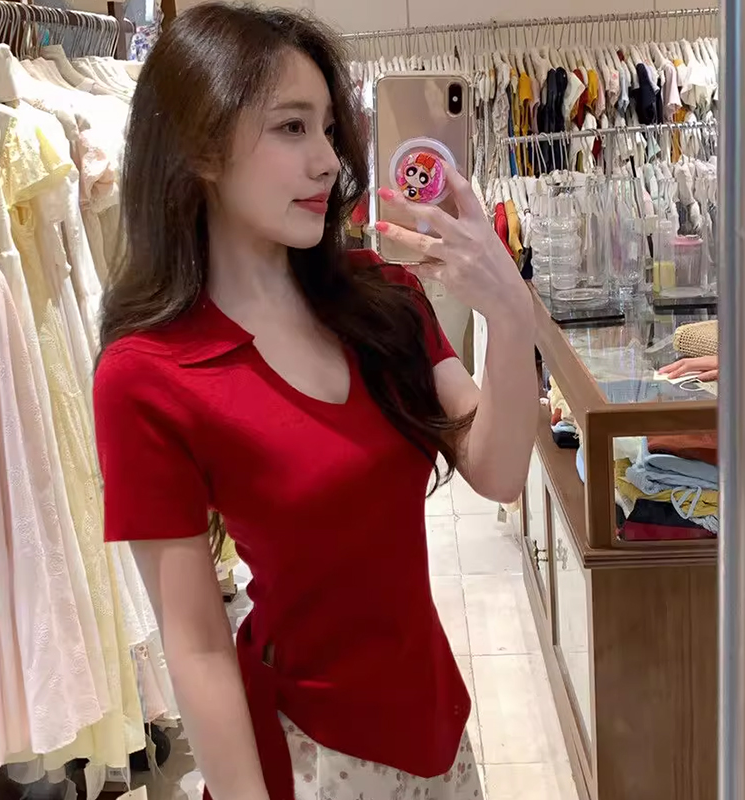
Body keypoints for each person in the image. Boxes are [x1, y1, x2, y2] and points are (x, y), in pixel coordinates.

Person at [93, 5, 538, 800]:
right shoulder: (150, 375)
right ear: (200, 147)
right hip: (311, 758)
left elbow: (498, 470)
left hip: (437, 728)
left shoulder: (383, 301)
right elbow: (195, 645)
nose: (329, 161)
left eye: (330, 129)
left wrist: (511, 316)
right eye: (292, 128)